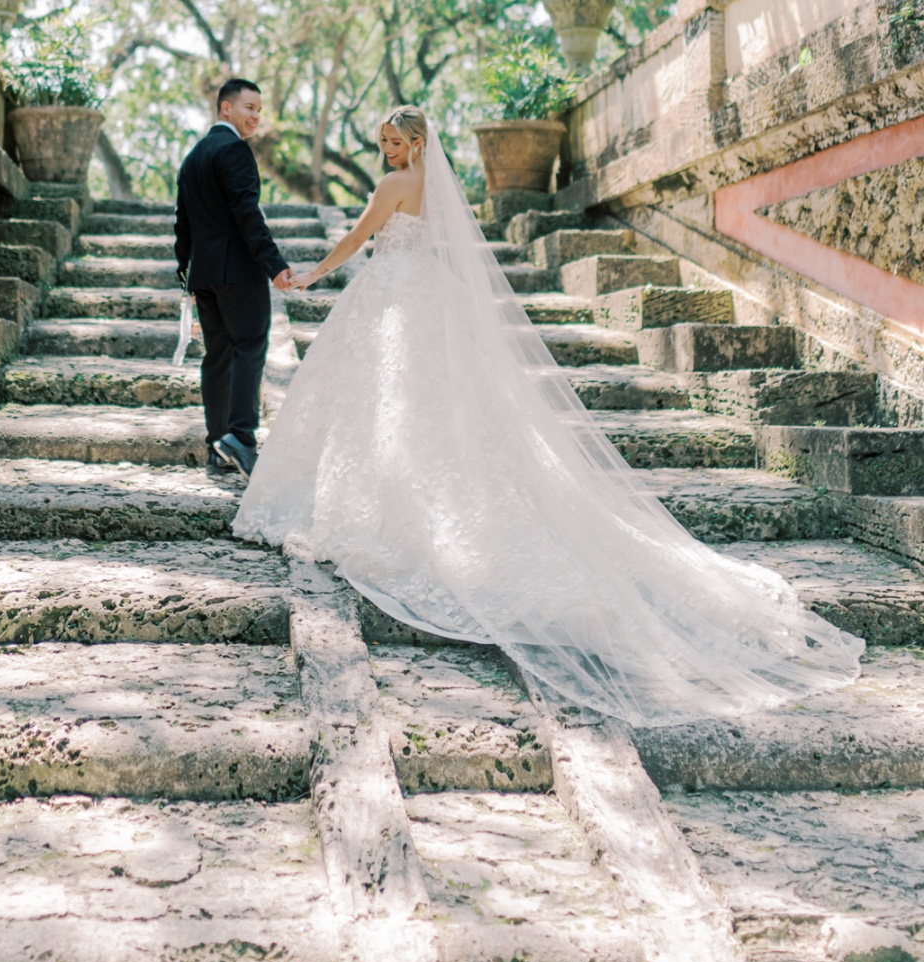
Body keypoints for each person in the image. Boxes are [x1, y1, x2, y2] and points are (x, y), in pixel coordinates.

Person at [233, 105, 862, 727]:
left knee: (392, 401)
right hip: (425, 293)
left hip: (394, 292)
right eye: (382, 142)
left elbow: (359, 237)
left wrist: (314, 272)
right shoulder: (434, 187)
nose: (386, 151)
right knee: (425, 406)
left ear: (417, 143)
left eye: (393, 141)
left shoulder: (396, 185)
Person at [175, 78, 295, 476]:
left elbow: (183, 226)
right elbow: (248, 214)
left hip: (205, 275)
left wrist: (186, 275)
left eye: (260, 109)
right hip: (238, 272)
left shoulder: (193, 157)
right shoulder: (235, 151)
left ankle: (217, 444)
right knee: (249, 346)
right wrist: (274, 265)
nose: (256, 116)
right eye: (249, 107)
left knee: (219, 356)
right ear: (226, 108)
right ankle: (241, 437)